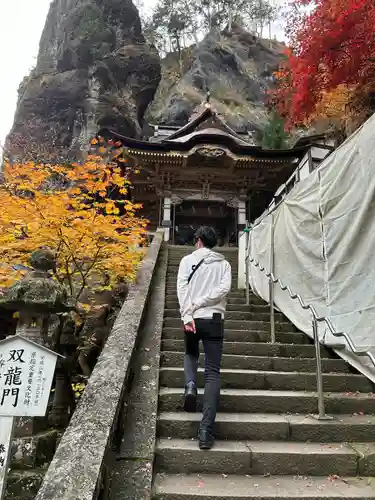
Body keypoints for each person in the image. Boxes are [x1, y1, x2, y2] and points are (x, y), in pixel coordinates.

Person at [177, 226, 232, 450]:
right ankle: (206, 430)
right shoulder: (225, 264)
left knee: (190, 353)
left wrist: (187, 314)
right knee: (212, 372)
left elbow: (181, 289)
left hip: (192, 319)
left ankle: (190, 386)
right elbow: (224, 289)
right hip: (214, 320)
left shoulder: (185, 261)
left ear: (198, 241)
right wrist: (204, 303)